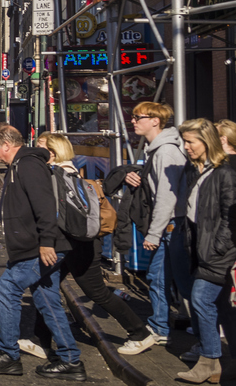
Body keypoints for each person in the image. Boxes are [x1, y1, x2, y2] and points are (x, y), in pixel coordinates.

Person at [0, 124, 85, 381]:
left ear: (6, 145)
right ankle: (71, 361)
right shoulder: (20, 165)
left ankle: (8, 355)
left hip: (40, 249)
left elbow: (45, 206)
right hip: (33, 247)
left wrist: (47, 242)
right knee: (47, 300)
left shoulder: (29, 165)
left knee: (7, 289)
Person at [31, 133, 152, 356]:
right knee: (45, 285)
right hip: (74, 243)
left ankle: (140, 333)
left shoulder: (62, 174)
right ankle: (40, 339)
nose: (35, 152)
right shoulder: (65, 171)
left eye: (40, 148)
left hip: (79, 245)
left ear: (53, 152)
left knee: (97, 293)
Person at [171, 118, 236, 384]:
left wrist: (218, 248)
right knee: (222, 306)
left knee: (201, 300)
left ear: (207, 142)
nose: (186, 147)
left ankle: (209, 360)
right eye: (185, 141)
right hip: (204, 250)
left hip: (216, 253)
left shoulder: (224, 173)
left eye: (191, 142)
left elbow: (232, 216)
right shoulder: (200, 170)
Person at [125, 101, 187, 343]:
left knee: (162, 278)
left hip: (171, 224)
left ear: (155, 121)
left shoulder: (165, 151)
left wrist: (154, 232)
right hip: (170, 224)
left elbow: (167, 196)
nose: (133, 121)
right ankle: (165, 325)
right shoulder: (157, 149)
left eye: (137, 117)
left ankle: (161, 327)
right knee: (168, 279)